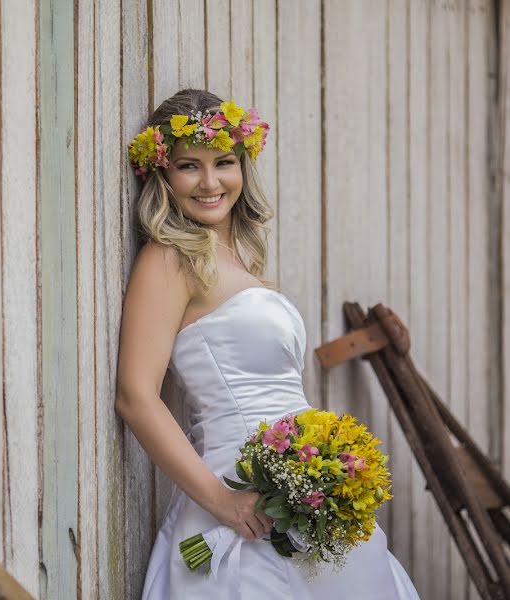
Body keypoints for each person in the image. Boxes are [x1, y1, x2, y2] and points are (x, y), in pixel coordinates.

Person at [115, 89, 420, 599]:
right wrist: (223, 501)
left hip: (302, 487)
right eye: (189, 166)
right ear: (161, 173)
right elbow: (136, 396)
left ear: (244, 167)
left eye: (224, 163)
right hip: (239, 498)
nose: (210, 182)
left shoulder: (239, 257)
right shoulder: (169, 259)